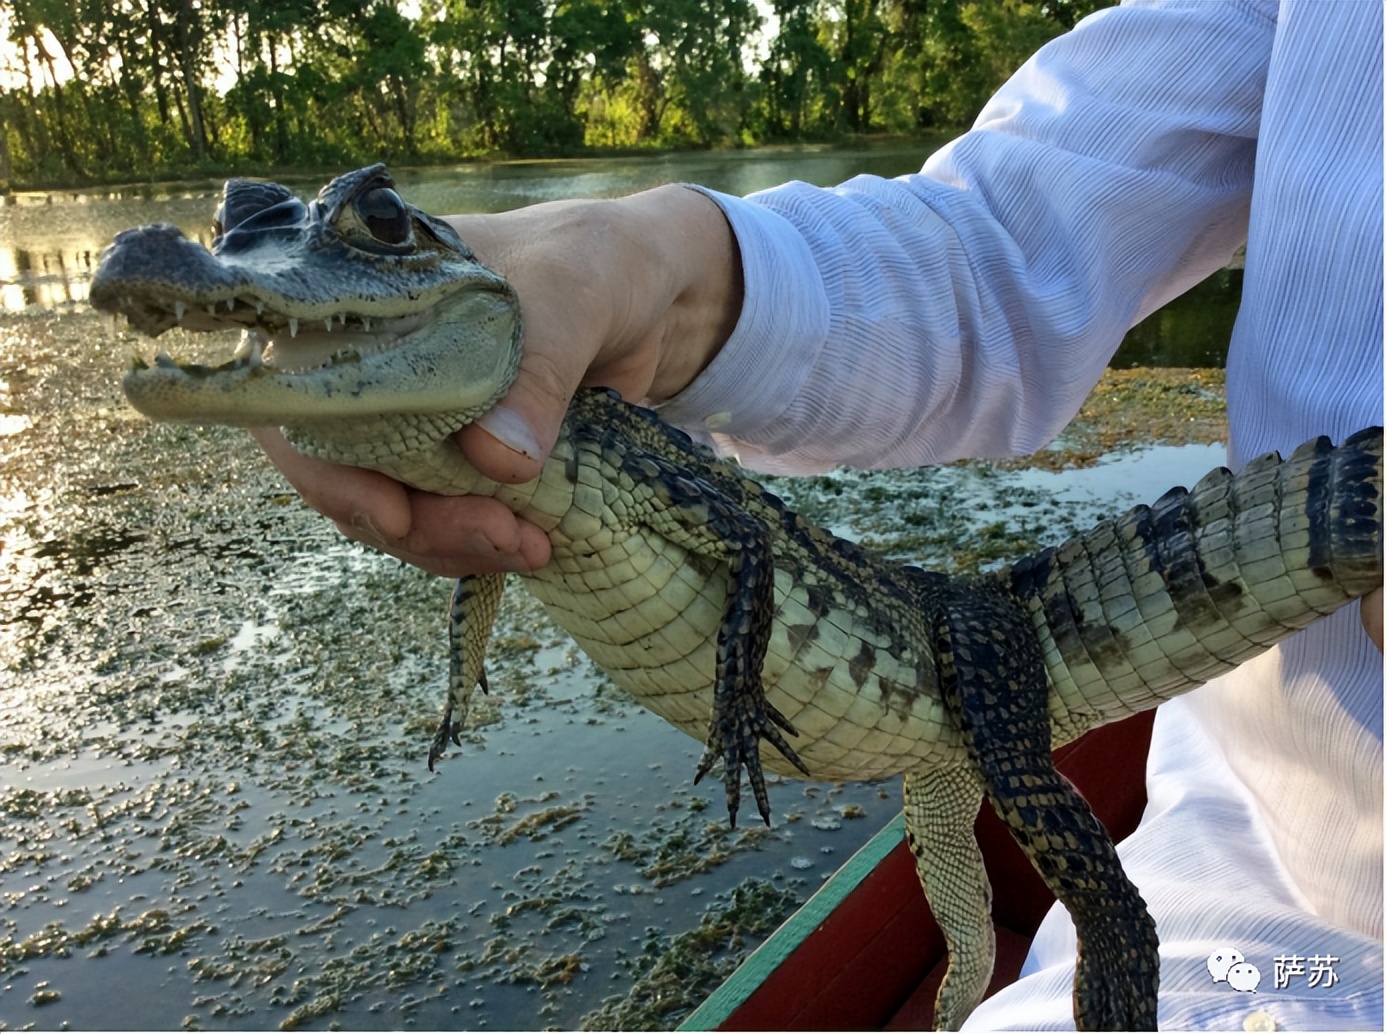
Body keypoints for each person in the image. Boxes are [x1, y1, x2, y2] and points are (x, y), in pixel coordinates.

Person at [254, 0, 1383, 1028]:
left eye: (378, 229)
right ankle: (968, 979)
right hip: (1248, 882)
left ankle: (1083, 978)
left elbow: (742, 541)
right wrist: (657, 255)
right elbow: (1003, 239)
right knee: (954, 866)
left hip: (1072, 741)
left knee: (1077, 879)